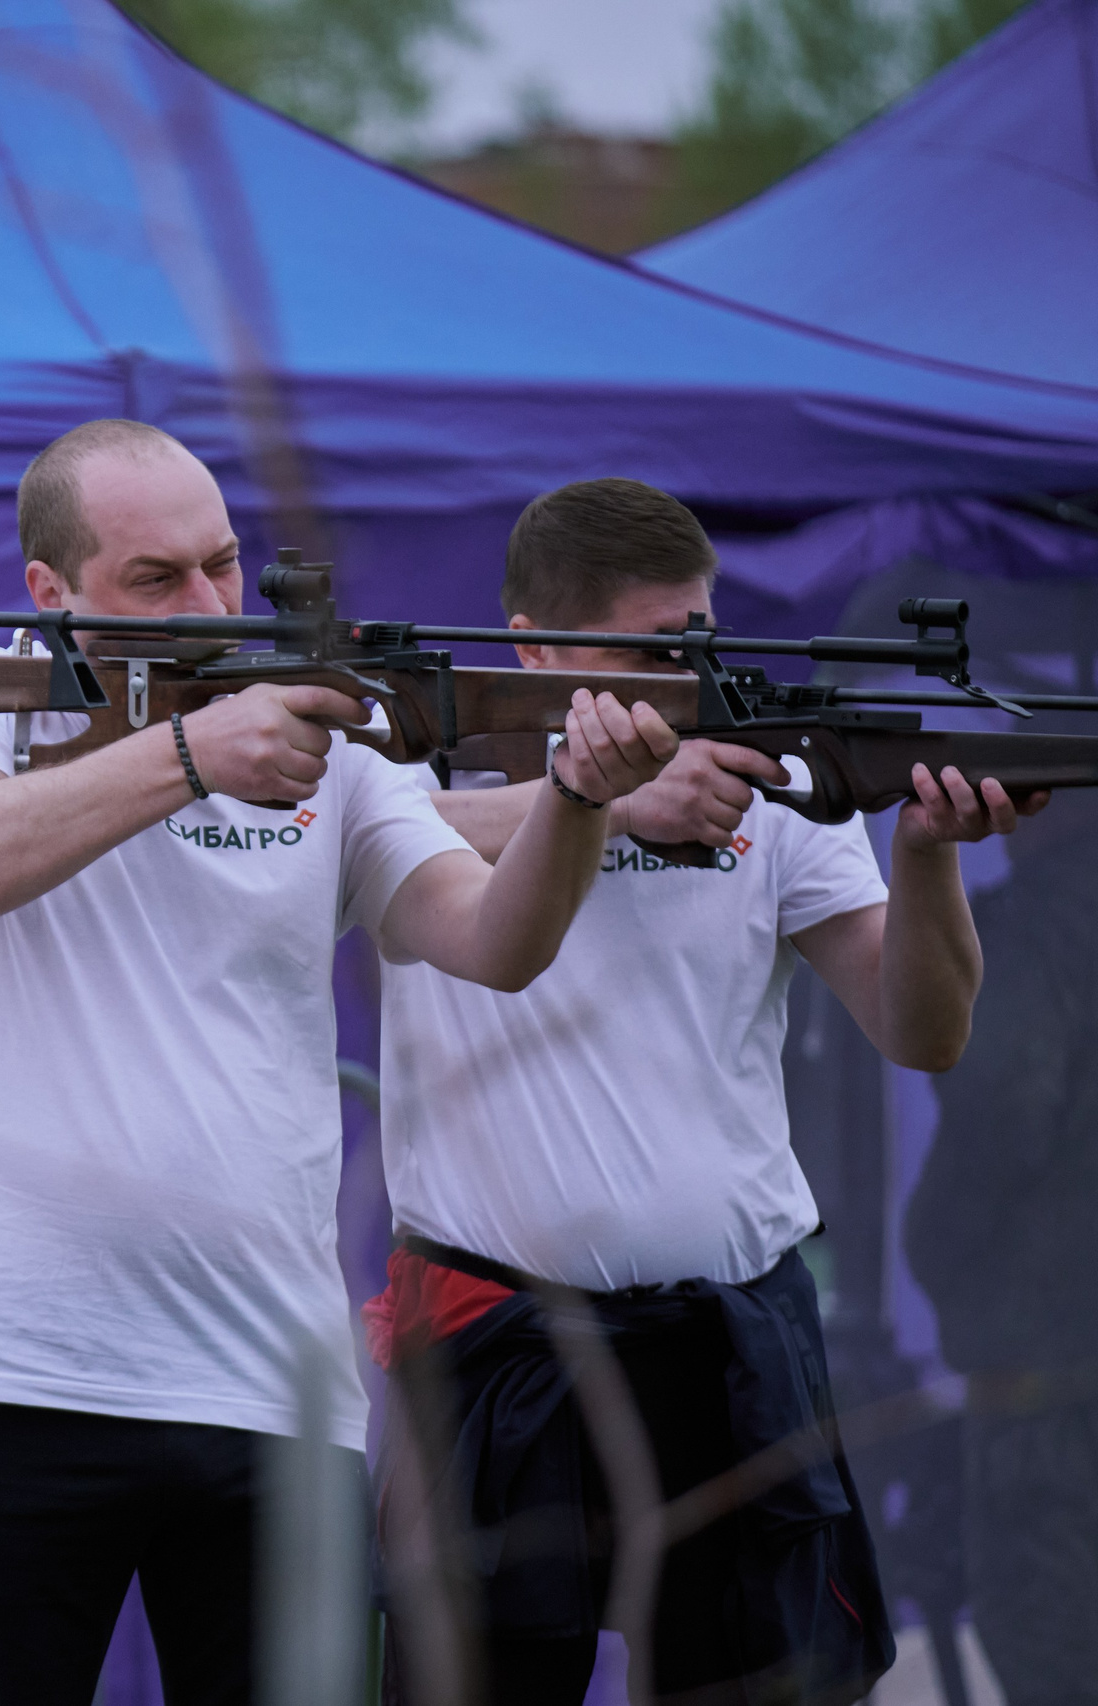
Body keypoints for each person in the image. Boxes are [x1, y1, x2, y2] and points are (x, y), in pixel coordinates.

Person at [0, 419, 674, 1705]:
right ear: (49, 591)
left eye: (224, 564)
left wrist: (575, 795)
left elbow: (492, 939)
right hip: (21, 1369)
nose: (208, 604)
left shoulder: (321, 740)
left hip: (272, 1391)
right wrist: (191, 753)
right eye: (156, 579)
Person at [371, 477, 1033, 1704]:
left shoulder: (767, 775)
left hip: (734, 1337)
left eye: (702, 635)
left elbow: (920, 1029)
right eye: (650, 645)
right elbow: (386, 833)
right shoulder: (417, 779)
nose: (690, 669)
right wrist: (600, 796)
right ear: (533, 649)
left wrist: (928, 853)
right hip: (501, 1342)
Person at [906, 789, 1098, 1706]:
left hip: (1054, 1398)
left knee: (1056, 1656)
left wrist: (935, 1245)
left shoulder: (1045, 927)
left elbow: (1002, 1110)